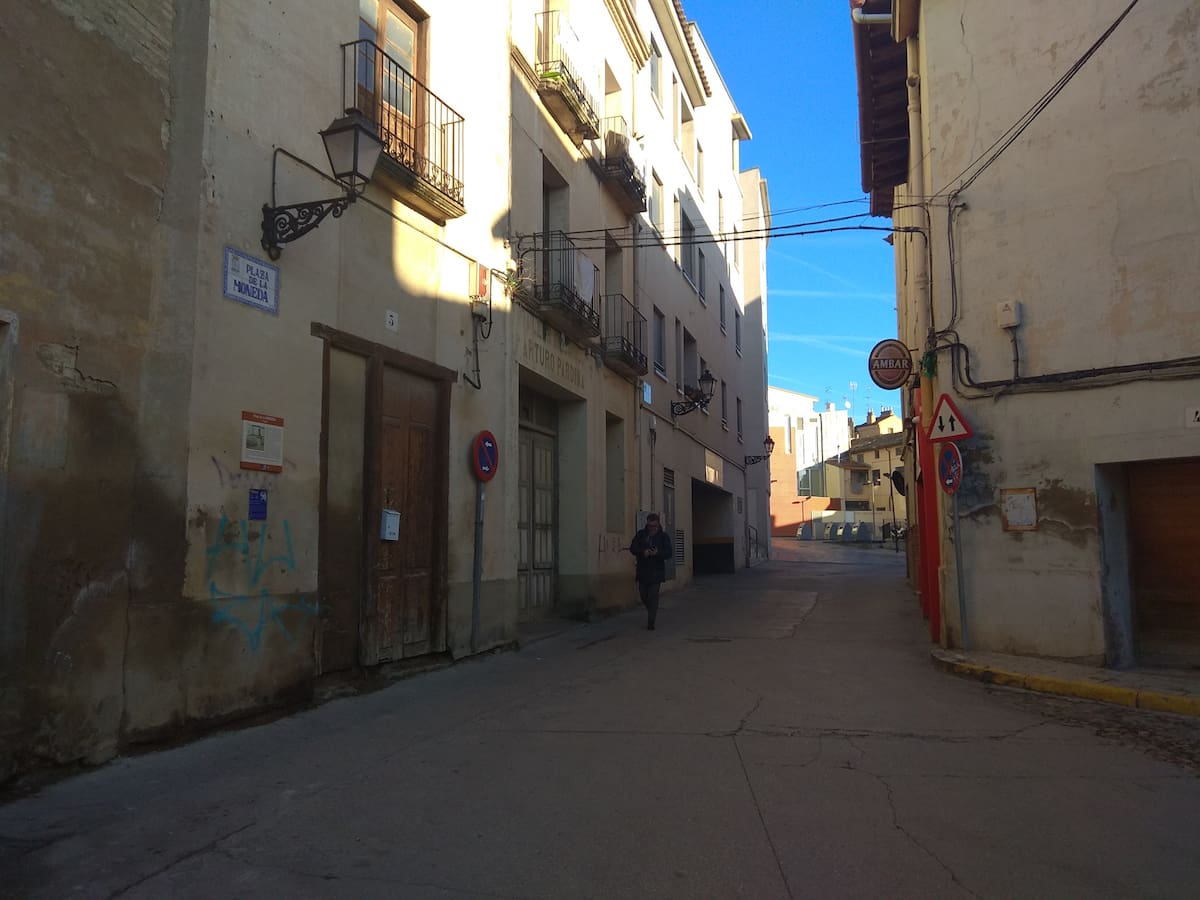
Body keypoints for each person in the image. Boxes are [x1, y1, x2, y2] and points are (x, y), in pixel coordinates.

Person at [629, 513, 671, 630]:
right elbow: (632, 548)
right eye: (650, 526)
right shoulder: (641, 534)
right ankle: (652, 610)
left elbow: (669, 553)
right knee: (643, 595)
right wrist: (643, 552)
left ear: (658, 524)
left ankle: (651, 621)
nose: (652, 528)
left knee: (653, 595)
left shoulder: (663, 536)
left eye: (655, 526)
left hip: (656, 572)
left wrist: (658, 553)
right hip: (643, 571)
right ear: (647, 524)